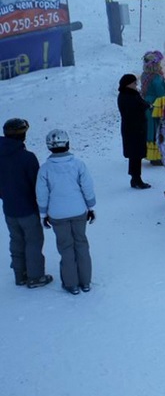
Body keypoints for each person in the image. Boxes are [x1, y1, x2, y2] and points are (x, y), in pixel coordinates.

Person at [36, 129, 96, 295]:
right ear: (68, 144)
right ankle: (85, 282)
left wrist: (43, 214)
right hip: (78, 211)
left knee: (66, 247)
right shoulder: (78, 164)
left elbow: (42, 194)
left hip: (57, 214)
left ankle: (71, 283)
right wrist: (91, 207)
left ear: (49, 147)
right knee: (81, 244)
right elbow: (88, 187)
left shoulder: (45, 169)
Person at [1, 118, 52, 288]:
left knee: (16, 240)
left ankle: (19, 274)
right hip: (28, 209)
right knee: (33, 241)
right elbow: (36, 186)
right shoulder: (27, 158)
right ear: (22, 135)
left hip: (9, 209)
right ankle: (35, 276)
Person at [117, 73, 152, 189]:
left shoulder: (128, 94)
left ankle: (135, 178)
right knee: (135, 155)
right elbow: (137, 109)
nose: (136, 85)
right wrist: (146, 106)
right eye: (134, 83)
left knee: (135, 155)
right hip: (134, 129)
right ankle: (137, 179)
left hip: (134, 129)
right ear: (128, 84)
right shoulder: (128, 96)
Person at [141, 50, 165, 164]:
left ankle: (150, 154)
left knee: (149, 129)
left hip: (146, 104)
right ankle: (157, 156)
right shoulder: (157, 78)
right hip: (156, 106)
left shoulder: (144, 75)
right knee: (157, 129)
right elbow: (161, 94)